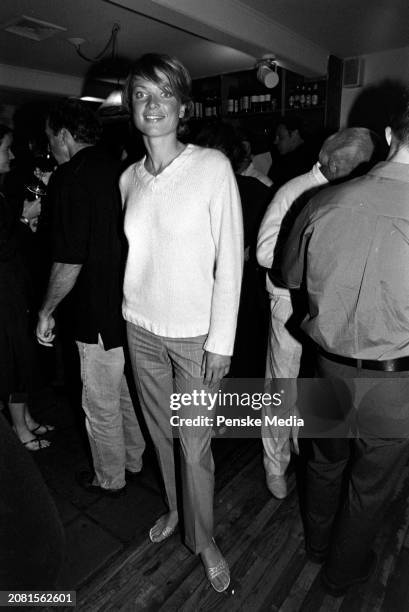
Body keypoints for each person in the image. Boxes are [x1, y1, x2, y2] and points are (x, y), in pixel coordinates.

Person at [121, 54, 243, 592]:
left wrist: (222, 341)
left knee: (195, 444)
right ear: (131, 106)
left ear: (182, 106)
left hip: (195, 338)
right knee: (160, 432)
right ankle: (177, 511)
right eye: (142, 94)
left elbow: (231, 260)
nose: (153, 104)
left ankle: (205, 537)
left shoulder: (212, 166)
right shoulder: (129, 179)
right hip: (139, 327)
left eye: (164, 93)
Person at [281, 85, 409, 595]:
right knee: (371, 487)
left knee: (323, 461)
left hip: (328, 366)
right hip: (396, 382)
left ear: (385, 137)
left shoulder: (322, 200)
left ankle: (316, 545)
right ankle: (342, 570)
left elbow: (289, 274)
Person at [257, 128, 378, 499]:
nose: (369, 172)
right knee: (281, 386)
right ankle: (273, 465)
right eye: (363, 165)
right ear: (338, 163)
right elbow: (264, 253)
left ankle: (296, 443)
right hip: (289, 306)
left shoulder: (347, 193)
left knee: (312, 383)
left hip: (325, 306)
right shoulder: (293, 192)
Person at [36, 100, 145, 496]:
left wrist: (46, 310)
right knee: (121, 391)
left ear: (64, 134)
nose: (51, 147)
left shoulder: (70, 176)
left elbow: (69, 257)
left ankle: (110, 477)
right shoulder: (122, 169)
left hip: (92, 310)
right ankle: (133, 458)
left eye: (51, 137)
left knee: (98, 401)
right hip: (127, 305)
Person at [0, 124, 52, 451]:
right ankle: (20, 429)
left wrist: (25, 222)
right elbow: (3, 247)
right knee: (15, 356)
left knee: (20, 355)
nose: (12, 154)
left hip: (14, 287)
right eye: (5, 148)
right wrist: (22, 220)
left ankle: (26, 419)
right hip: (4, 292)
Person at [268, 116, 315, 190]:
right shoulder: (280, 157)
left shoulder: (308, 161)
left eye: (280, 137)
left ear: (295, 134)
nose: (275, 142)